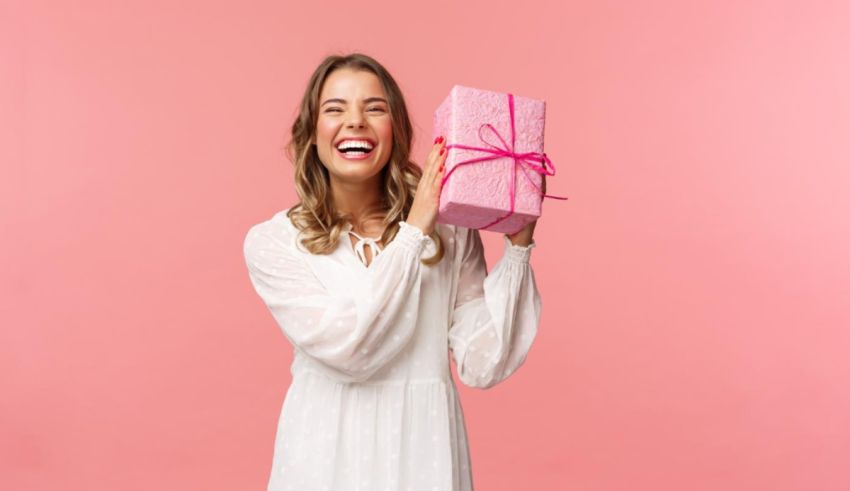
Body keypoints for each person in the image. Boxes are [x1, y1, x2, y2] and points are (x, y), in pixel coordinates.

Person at [242, 52, 544, 491]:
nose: (356, 121)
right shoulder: (274, 242)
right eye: (335, 109)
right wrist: (414, 229)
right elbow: (351, 351)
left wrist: (518, 246)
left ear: (395, 130)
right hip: (323, 458)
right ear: (311, 134)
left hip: (425, 455)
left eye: (375, 108)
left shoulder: (452, 233)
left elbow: (484, 365)